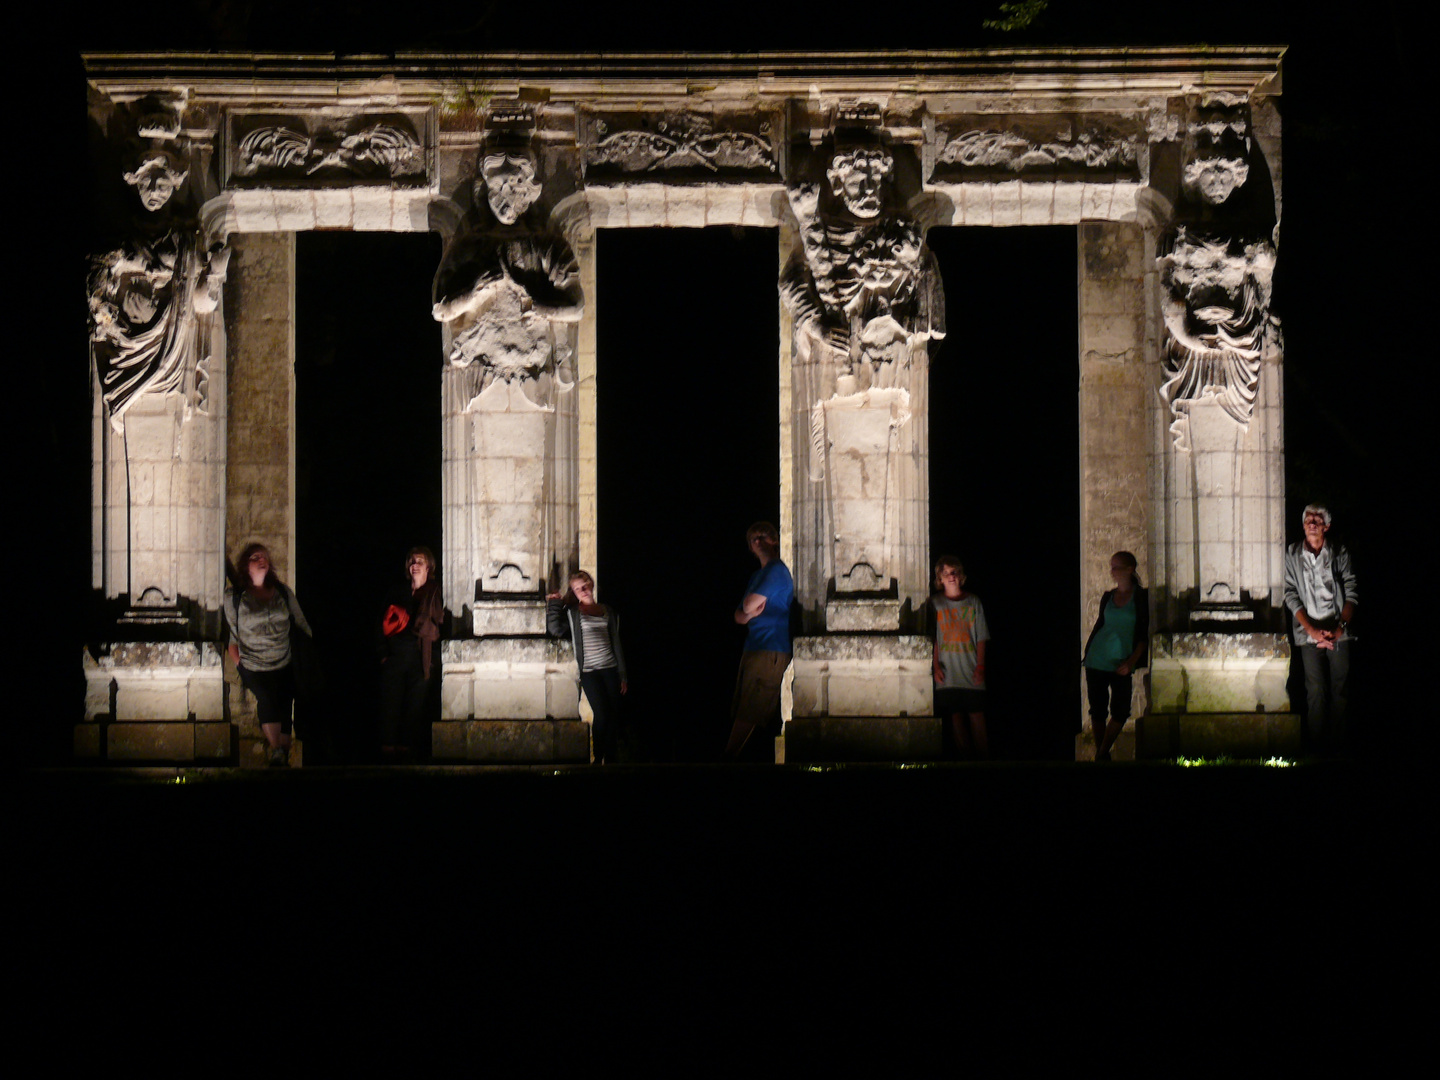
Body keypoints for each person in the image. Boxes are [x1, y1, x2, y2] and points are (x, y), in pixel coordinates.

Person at [223, 543, 313, 768]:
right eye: (255, 556)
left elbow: (301, 622)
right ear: (246, 564)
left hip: (284, 659)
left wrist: (306, 647)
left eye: (264, 556)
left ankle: (282, 754)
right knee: (266, 699)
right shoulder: (235, 596)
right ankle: (274, 749)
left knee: (284, 702)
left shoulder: (282, 592)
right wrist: (239, 663)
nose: (262, 559)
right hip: (253, 664)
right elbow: (232, 633)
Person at [1283, 504, 1358, 757]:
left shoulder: (1339, 552)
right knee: (1315, 691)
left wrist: (1339, 628)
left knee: (1341, 690)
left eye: (1317, 519)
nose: (1312, 523)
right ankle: (1316, 750)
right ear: (1303, 525)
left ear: (1326, 526)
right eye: (1308, 519)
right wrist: (1312, 630)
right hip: (1309, 634)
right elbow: (1290, 594)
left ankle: (1339, 749)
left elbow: (1351, 591)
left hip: (1339, 632)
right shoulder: (1293, 553)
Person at [725, 522, 794, 761]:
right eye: (753, 539)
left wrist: (749, 612)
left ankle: (729, 757)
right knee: (745, 706)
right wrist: (749, 613)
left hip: (770, 648)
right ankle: (734, 756)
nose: (757, 542)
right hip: (755, 647)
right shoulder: (758, 575)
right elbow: (739, 615)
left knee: (752, 708)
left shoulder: (776, 570)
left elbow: (746, 607)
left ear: (774, 541)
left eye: (762, 536)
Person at [547, 570, 627, 764]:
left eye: (584, 586)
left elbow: (616, 643)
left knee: (613, 715)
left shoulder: (607, 611)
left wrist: (623, 674)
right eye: (577, 589)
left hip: (610, 669)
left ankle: (611, 758)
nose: (582, 591)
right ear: (574, 593)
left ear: (591, 585)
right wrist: (555, 603)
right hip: (590, 672)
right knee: (601, 714)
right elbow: (555, 629)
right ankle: (598, 756)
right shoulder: (574, 613)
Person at [1081, 551, 1149, 762]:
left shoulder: (1141, 597)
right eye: (1111, 567)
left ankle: (1102, 752)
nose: (1112, 572)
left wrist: (1131, 661)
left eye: (1116, 567)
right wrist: (1087, 652)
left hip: (1121, 662)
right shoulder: (1107, 597)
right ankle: (1102, 756)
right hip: (1097, 659)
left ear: (1130, 569)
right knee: (1098, 710)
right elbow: (1101, 624)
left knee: (1120, 711)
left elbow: (1143, 633)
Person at [378, 546, 445, 762]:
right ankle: (388, 753)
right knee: (391, 704)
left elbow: (440, 625)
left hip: (421, 656)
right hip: (396, 656)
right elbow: (380, 623)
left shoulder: (435, 592)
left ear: (428, 567)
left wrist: (434, 657)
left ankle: (408, 754)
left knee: (414, 707)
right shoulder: (398, 591)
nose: (415, 564)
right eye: (412, 561)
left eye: (420, 561)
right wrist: (383, 654)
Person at [929, 556, 991, 760]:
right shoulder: (935, 603)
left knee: (976, 717)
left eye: (954, 572)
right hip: (948, 673)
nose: (951, 576)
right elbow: (934, 638)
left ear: (960, 575)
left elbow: (981, 637)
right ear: (940, 578)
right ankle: (964, 763)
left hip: (971, 669)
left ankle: (984, 761)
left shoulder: (973, 601)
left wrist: (980, 666)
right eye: (946, 573)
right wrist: (935, 665)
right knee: (955, 718)